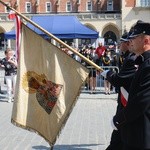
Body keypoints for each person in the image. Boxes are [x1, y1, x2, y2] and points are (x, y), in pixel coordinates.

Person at [112, 20, 150, 150]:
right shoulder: (143, 62)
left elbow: (141, 101)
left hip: (142, 134)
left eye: (134, 37)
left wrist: (118, 119)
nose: (130, 41)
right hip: (135, 131)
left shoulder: (148, 65)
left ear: (146, 42)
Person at [101, 31, 137, 150]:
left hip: (128, 103)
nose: (119, 45)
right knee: (119, 138)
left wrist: (109, 74)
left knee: (118, 139)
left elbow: (121, 79)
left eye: (121, 43)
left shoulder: (132, 59)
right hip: (123, 101)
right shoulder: (127, 57)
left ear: (127, 44)